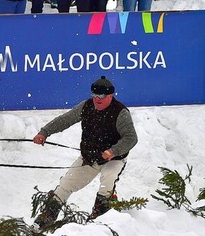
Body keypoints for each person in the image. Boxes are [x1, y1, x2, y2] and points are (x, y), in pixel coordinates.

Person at [32, 76, 138, 224]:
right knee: (65, 185)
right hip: (89, 158)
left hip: (113, 159)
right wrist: (44, 132)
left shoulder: (120, 112)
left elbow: (131, 138)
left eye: (101, 95)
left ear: (110, 96)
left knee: (107, 181)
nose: (97, 99)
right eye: (94, 95)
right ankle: (45, 219)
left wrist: (113, 151)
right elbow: (65, 119)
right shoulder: (86, 106)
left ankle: (100, 216)